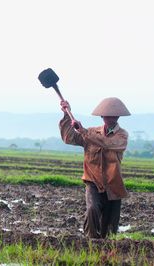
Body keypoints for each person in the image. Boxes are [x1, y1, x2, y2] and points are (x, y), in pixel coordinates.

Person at [59, 97, 131, 239]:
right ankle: (90, 242)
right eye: (106, 116)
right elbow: (69, 138)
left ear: (117, 117)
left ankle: (106, 252)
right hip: (93, 182)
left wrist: (84, 131)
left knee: (109, 228)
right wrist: (67, 115)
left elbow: (107, 143)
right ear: (102, 116)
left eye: (113, 116)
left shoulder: (122, 135)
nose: (109, 118)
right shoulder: (92, 132)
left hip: (113, 185)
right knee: (92, 209)